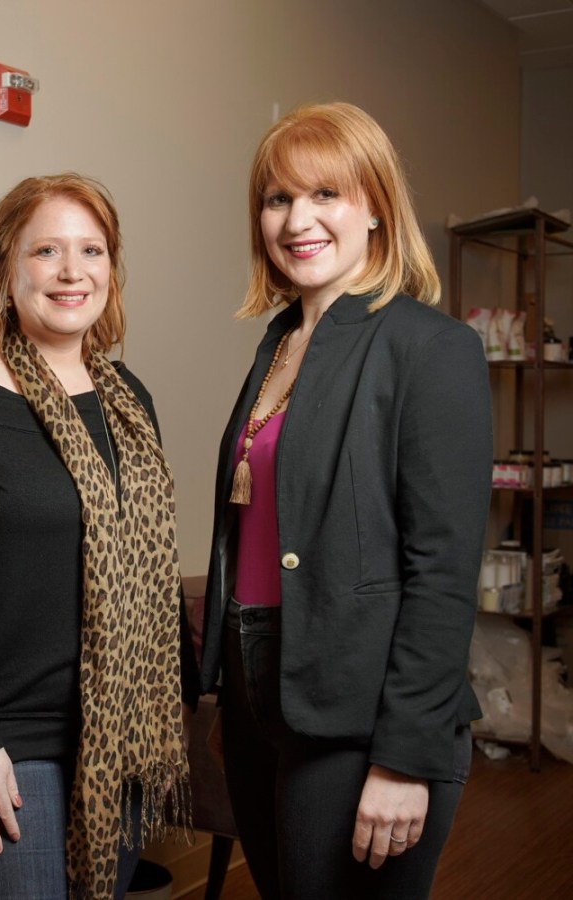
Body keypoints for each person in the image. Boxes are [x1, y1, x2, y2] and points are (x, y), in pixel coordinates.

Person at [199, 102, 492, 899]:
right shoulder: (277, 346)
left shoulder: (430, 347)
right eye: (278, 199)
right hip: (261, 698)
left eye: (325, 193)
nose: (298, 220)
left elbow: (443, 572)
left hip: (363, 716)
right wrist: (231, 694)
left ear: (375, 208)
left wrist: (406, 757)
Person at [0, 173, 195, 900]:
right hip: (6, 743)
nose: (71, 271)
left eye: (91, 250)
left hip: (120, 735)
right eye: (46, 251)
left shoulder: (129, 401)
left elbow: (147, 568)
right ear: (5, 269)